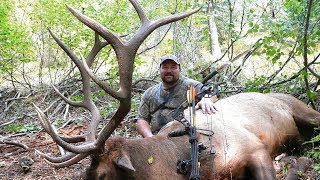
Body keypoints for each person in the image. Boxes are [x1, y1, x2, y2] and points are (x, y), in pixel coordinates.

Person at [136, 54, 217, 138]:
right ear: (160, 69)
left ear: (180, 69)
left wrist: (206, 99)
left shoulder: (190, 85)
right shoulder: (150, 93)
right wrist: (150, 138)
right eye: (165, 67)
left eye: (173, 67)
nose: (169, 71)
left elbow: (211, 93)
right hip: (158, 140)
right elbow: (142, 119)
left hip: (185, 137)